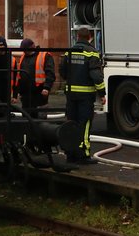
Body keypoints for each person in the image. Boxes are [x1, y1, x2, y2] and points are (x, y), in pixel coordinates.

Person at [61, 28, 105, 164]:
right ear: (90, 37)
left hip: (71, 95)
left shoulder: (69, 52)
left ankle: (70, 154)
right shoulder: (92, 53)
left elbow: (62, 71)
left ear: (78, 36)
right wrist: (102, 93)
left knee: (71, 123)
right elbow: (96, 75)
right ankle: (83, 154)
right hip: (85, 96)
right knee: (84, 124)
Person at [11, 37, 55, 115]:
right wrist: (16, 94)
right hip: (26, 94)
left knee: (39, 117)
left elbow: (50, 73)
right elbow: (19, 76)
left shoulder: (45, 55)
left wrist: (47, 87)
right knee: (26, 116)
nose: (25, 52)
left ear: (32, 46)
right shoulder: (23, 57)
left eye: (26, 50)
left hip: (39, 92)